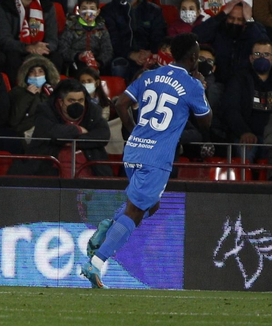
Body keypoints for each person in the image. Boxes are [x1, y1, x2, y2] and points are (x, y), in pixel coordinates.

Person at [81, 33, 211, 288]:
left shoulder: (148, 76)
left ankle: (109, 227)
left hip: (134, 150)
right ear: (193, 57)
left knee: (150, 206)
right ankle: (96, 262)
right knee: (137, 210)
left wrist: (134, 131)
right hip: (157, 156)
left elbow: (121, 104)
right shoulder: (192, 84)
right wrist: (202, 89)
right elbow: (206, 123)